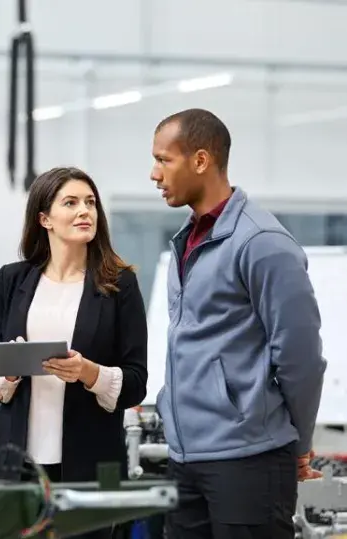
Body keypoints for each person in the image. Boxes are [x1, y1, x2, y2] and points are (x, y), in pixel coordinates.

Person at [150, 108, 326, 538]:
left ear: (201, 160)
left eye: (163, 159)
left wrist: (298, 443)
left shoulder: (262, 243)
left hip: (248, 458)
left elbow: (300, 357)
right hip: (187, 459)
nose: (154, 174)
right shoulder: (188, 239)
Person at [0, 166, 148, 539]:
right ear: (45, 219)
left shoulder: (120, 284)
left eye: (90, 203)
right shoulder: (13, 279)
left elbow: (137, 382)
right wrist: (7, 371)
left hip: (90, 465)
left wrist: (90, 373)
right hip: (18, 467)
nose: (84, 211)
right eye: (70, 203)